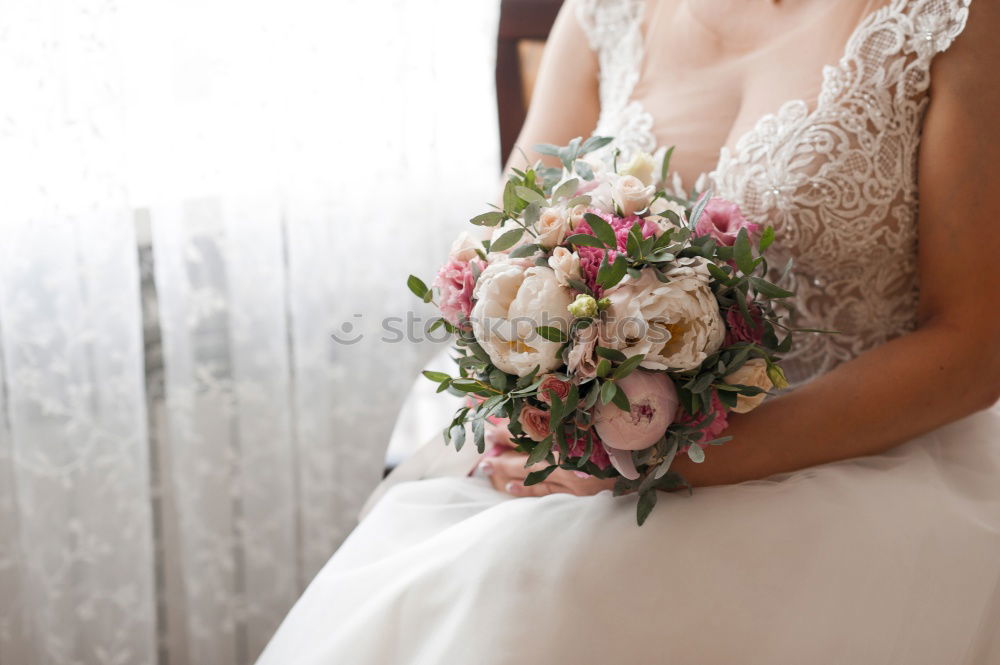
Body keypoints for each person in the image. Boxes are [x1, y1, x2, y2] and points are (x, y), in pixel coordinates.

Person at [257, 1, 1000, 662]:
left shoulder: (949, 17)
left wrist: (665, 461)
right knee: (457, 583)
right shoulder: (602, 13)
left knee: (541, 597)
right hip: (595, 456)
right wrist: (549, 413)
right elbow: (505, 253)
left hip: (867, 451)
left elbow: (974, 345)